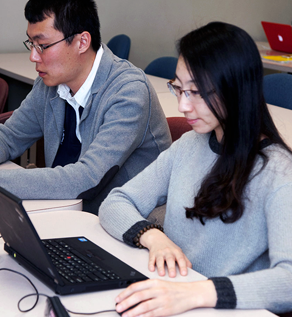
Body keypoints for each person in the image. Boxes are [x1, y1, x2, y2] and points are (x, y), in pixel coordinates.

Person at [99, 21, 292, 316]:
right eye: (178, 88)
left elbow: (288, 282)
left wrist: (195, 293)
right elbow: (116, 202)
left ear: (236, 88)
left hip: (219, 307)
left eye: (197, 92)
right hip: (172, 295)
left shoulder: (280, 174)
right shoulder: (189, 145)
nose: (183, 106)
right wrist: (154, 237)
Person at [0, 0, 171, 215]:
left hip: (126, 226)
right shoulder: (50, 83)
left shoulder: (129, 92)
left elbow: (86, 178)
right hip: (67, 211)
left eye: (43, 46)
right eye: (31, 44)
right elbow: (8, 137)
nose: (33, 56)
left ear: (82, 42)